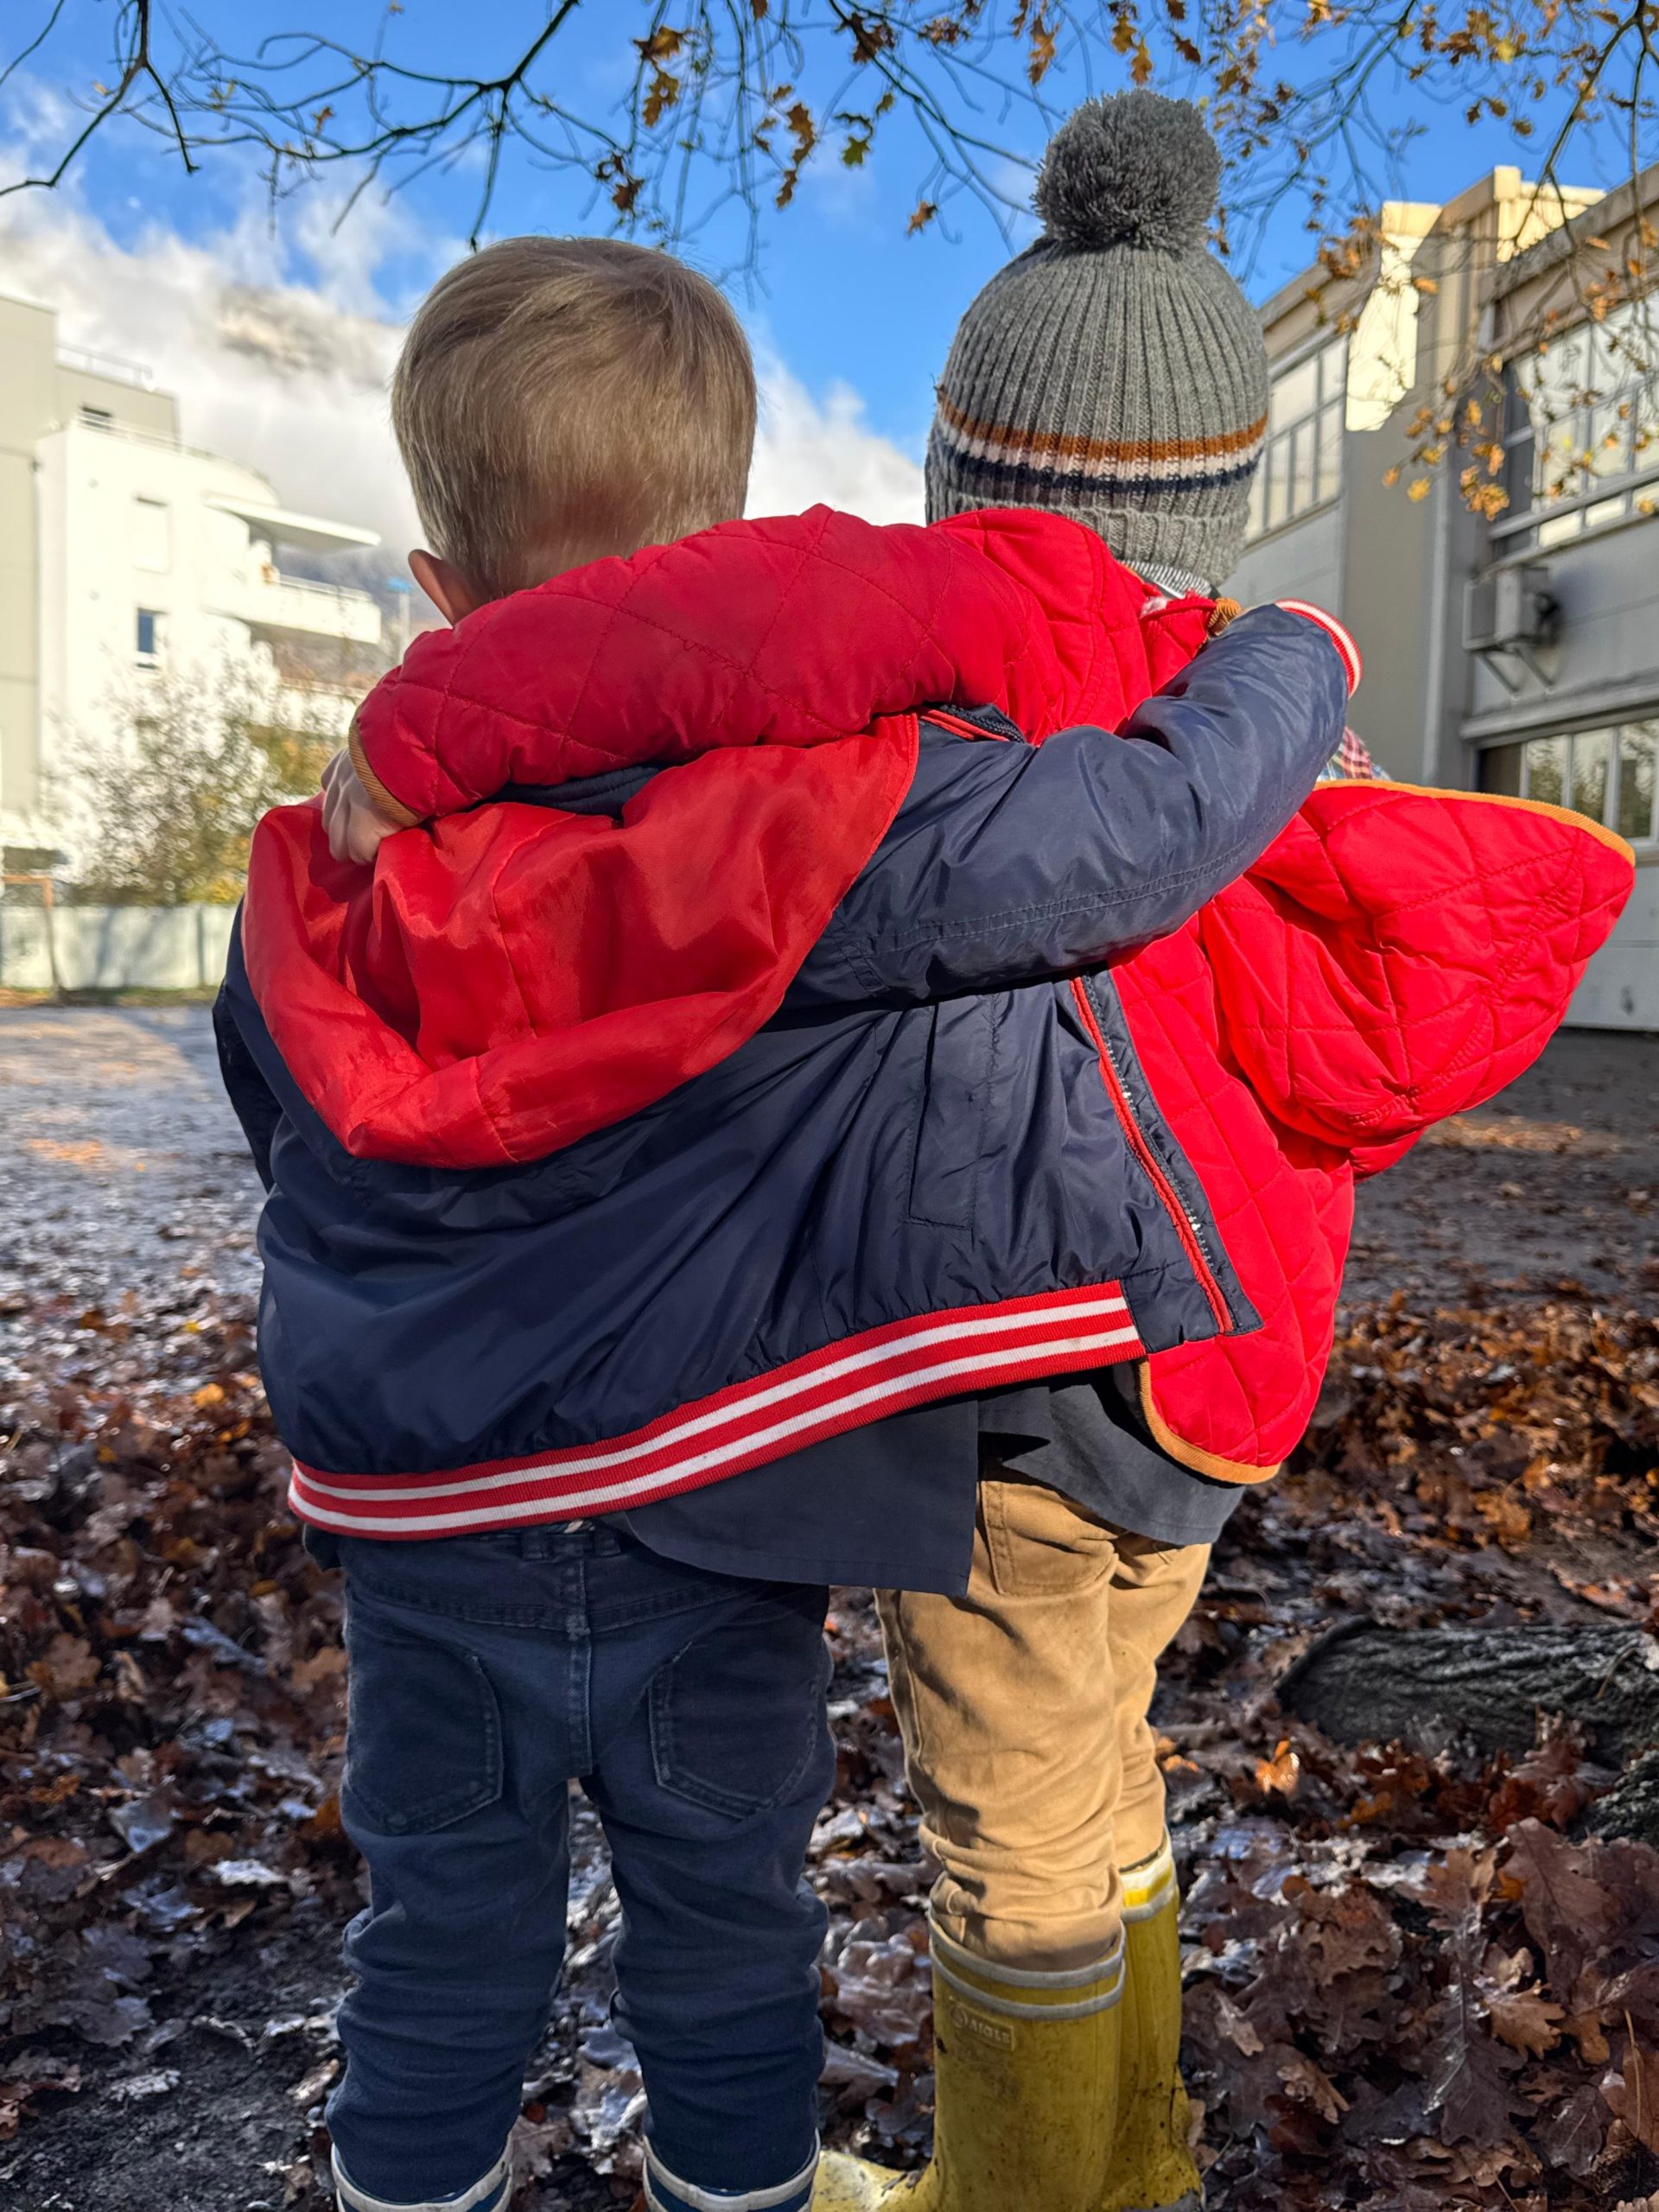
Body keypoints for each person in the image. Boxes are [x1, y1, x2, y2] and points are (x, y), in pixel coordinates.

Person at [216, 228, 1372, 2212]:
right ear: (717, 547)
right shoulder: (808, 815)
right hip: (708, 1511)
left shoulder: (324, 866)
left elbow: (278, 1112)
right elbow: (1139, 838)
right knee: (728, 1943)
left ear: (435, 584)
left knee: (433, 1949)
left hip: (423, 1537)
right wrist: (1296, 652)